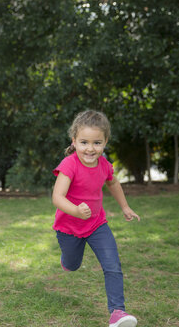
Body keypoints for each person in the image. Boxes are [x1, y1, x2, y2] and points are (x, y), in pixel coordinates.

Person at [51, 110, 140, 327]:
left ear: (105, 142)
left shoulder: (104, 164)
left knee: (112, 265)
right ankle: (67, 262)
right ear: (74, 141)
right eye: (84, 142)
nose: (90, 148)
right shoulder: (69, 164)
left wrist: (125, 207)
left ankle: (117, 312)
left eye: (97, 142)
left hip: (97, 224)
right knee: (73, 264)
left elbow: (113, 183)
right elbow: (57, 197)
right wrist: (76, 211)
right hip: (69, 227)